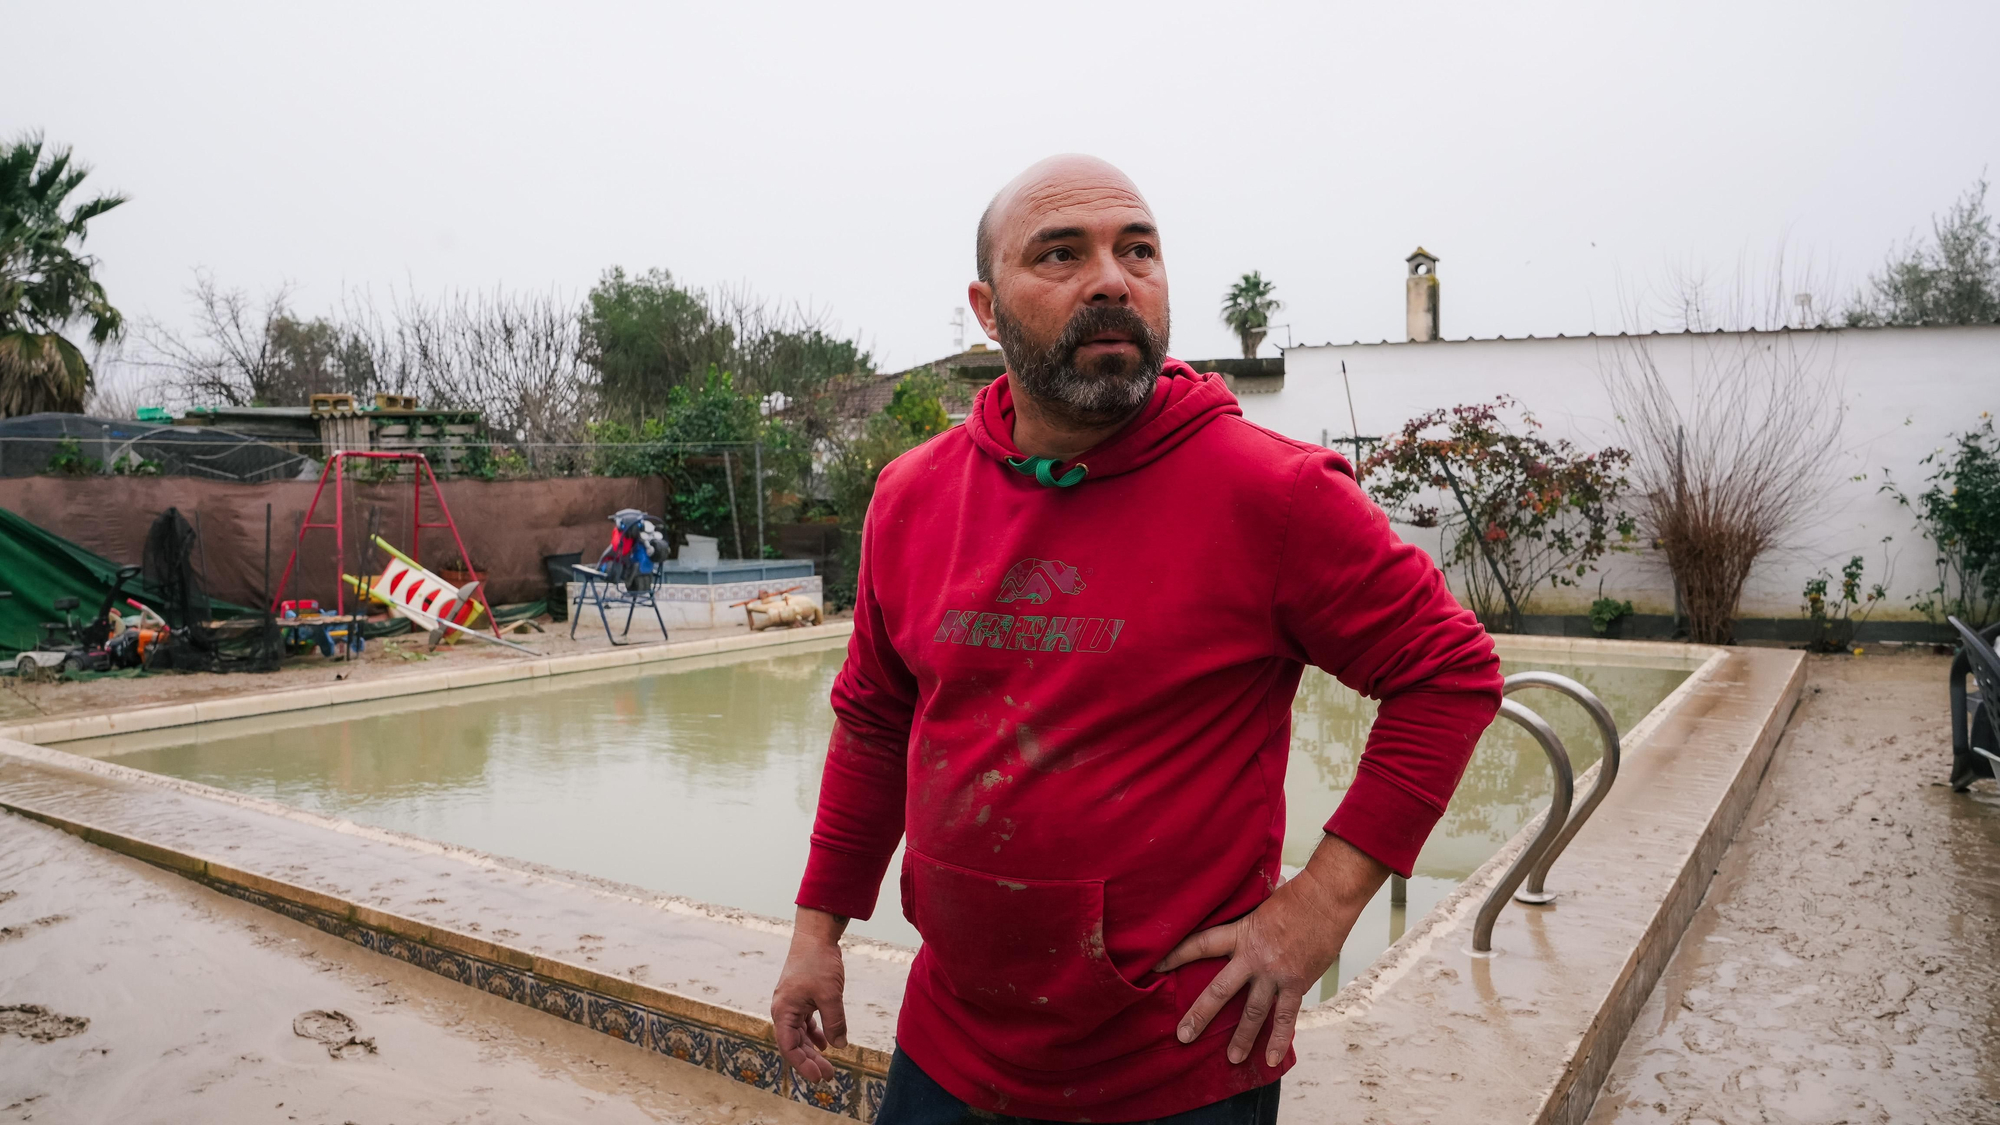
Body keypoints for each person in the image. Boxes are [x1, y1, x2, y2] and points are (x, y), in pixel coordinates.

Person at [771, 154, 1502, 1124]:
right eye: (1061, 254)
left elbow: (1448, 674)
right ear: (985, 310)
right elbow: (873, 720)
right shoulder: (912, 494)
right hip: (948, 1040)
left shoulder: (1268, 494)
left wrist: (1318, 908)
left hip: (1174, 1062)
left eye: (1138, 251)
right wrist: (817, 929)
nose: (1112, 279)